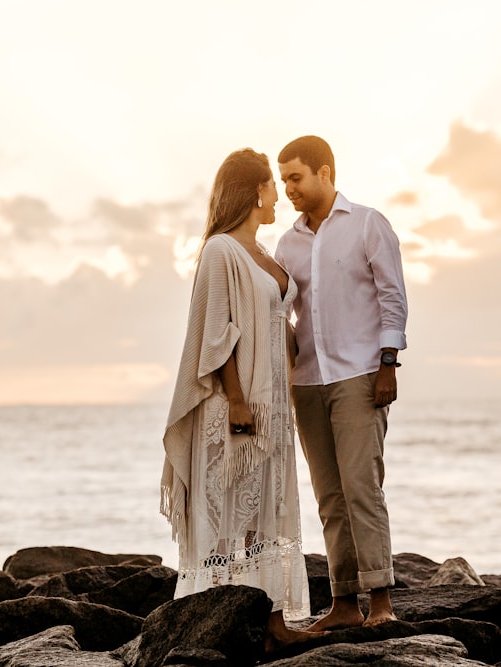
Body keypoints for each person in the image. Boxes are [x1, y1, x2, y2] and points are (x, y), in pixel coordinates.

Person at [161, 148, 320, 649]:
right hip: (236, 404)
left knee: (265, 513)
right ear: (255, 190)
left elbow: (280, 328)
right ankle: (219, 623)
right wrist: (235, 399)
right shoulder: (220, 250)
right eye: (273, 184)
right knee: (229, 510)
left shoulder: (265, 254)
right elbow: (216, 334)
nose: (279, 194)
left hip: (272, 406)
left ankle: (272, 625)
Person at [274, 135, 408, 630]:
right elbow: (283, 312)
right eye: (283, 179)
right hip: (307, 382)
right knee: (330, 496)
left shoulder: (368, 225)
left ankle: (382, 604)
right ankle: (345, 605)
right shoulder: (287, 243)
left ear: (325, 173)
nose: (289, 188)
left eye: (296, 177)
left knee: (362, 488)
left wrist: (388, 364)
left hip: (359, 375)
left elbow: (393, 296)